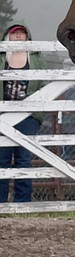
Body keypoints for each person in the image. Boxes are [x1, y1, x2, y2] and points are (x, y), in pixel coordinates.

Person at [1, 23, 46, 202]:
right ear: (8, 36)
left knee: (24, 161)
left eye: (22, 33)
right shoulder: (2, 57)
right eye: (14, 33)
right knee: (2, 161)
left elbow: (44, 84)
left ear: (27, 36)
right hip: (3, 115)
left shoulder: (37, 59)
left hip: (28, 117)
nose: (18, 36)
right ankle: (1, 204)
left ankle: (23, 203)